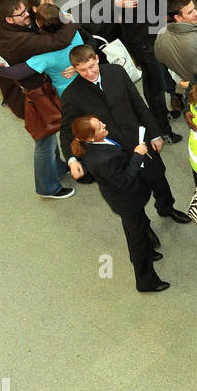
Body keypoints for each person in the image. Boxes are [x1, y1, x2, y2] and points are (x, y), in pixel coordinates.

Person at [59, 47, 190, 226]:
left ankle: (166, 207)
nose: (89, 73)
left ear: (97, 59)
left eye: (91, 66)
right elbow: (67, 132)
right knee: (132, 193)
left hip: (140, 139)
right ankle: (143, 226)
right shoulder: (71, 95)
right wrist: (72, 160)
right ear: (74, 69)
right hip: (114, 155)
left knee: (158, 176)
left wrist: (154, 135)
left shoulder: (116, 72)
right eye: (82, 70)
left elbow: (138, 104)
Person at [0, 0, 80, 200]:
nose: (27, 14)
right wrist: (69, 19)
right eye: (21, 14)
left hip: (30, 91)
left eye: (25, 9)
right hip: (33, 95)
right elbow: (60, 40)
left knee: (49, 133)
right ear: (9, 19)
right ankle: (47, 187)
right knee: (44, 139)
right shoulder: (21, 40)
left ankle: (56, 168)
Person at [69, 116, 169, 293]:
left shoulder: (93, 146)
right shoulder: (101, 159)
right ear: (91, 138)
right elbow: (123, 181)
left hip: (124, 199)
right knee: (137, 238)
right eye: (100, 127)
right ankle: (146, 281)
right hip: (127, 200)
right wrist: (138, 155)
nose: (104, 125)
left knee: (134, 229)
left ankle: (148, 250)